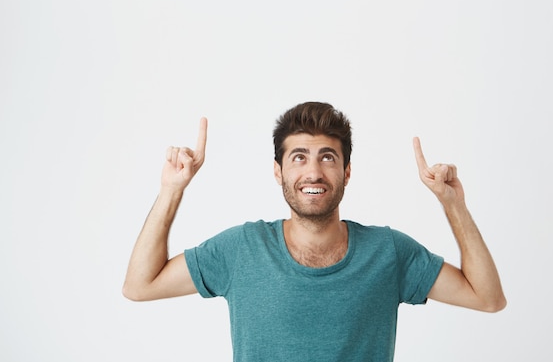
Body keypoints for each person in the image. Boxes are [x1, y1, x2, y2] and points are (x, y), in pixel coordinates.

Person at [123, 101, 506, 361]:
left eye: (328, 157)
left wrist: (453, 204)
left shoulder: (388, 252)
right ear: (279, 172)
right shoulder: (241, 249)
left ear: (347, 172)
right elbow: (141, 286)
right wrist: (172, 190)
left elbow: (487, 297)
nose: (313, 172)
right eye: (299, 157)